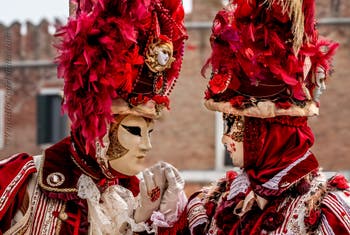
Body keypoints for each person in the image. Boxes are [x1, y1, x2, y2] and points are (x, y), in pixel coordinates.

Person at [0, 0, 188, 234]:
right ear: (99, 128)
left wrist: (150, 221)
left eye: (149, 132)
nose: (147, 146)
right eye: (134, 131)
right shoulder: (22, 183)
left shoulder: (136, 196)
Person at [168, 0, 350, 234]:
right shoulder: (216, 204)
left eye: (233, 124)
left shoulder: (324, 213)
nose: (225, 139)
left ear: (266, 130)